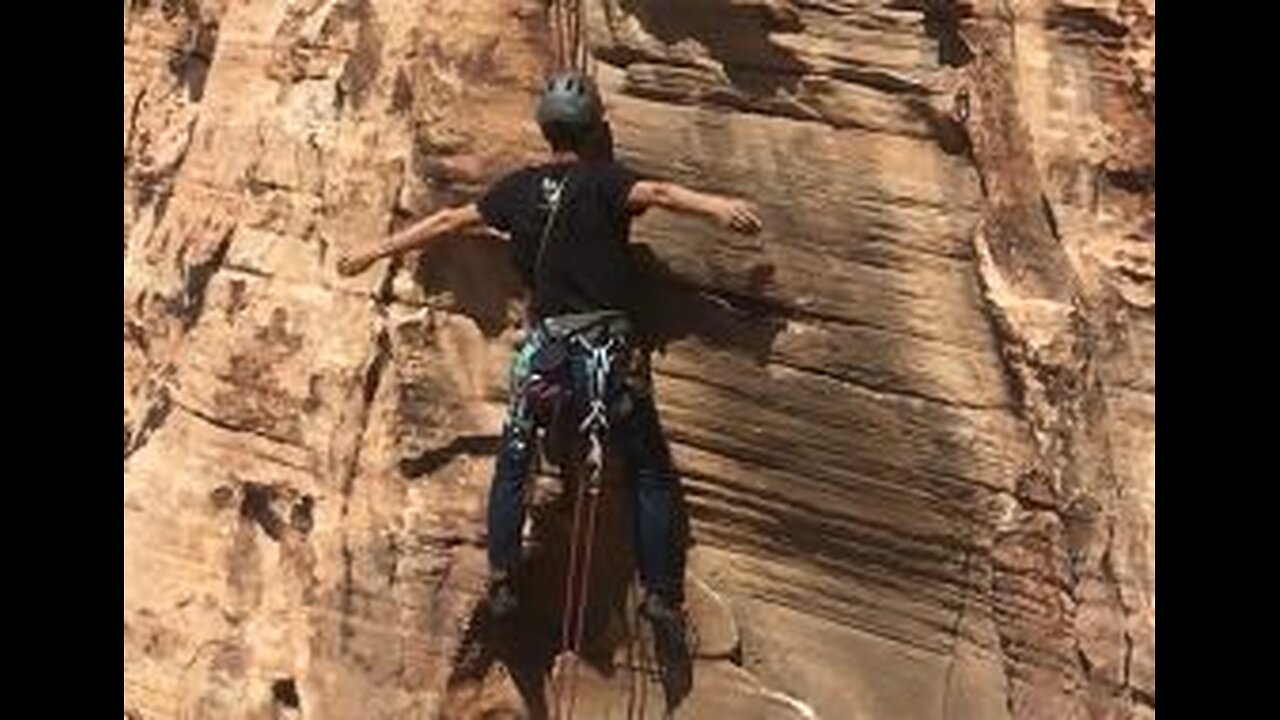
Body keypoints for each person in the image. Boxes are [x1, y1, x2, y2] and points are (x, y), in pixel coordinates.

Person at [338, 71, 762, 639]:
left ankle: (504, 576)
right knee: (648, 470)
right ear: (595, 132)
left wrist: (373, 250)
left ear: (545, 130)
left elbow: (447, 221)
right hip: (605, 357)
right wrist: (717, 206)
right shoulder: (606, 181)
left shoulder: (516, 190)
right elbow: (658, 194)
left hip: (546, 355)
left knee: (515, 461)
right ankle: (661, 596)